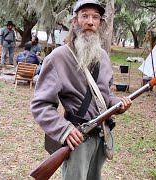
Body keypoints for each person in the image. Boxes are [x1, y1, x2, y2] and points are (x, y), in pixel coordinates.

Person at [30, 0, 132, 179]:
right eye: (84, 16)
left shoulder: (104, 57)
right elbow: (41, 105)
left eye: (95, 17)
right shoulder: (58, 58)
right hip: (77, 138)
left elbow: (105, 96)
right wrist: (65, 130)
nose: (90, 22)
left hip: (101, 135)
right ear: (75, 22)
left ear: (100, 23)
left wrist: (118, 104)